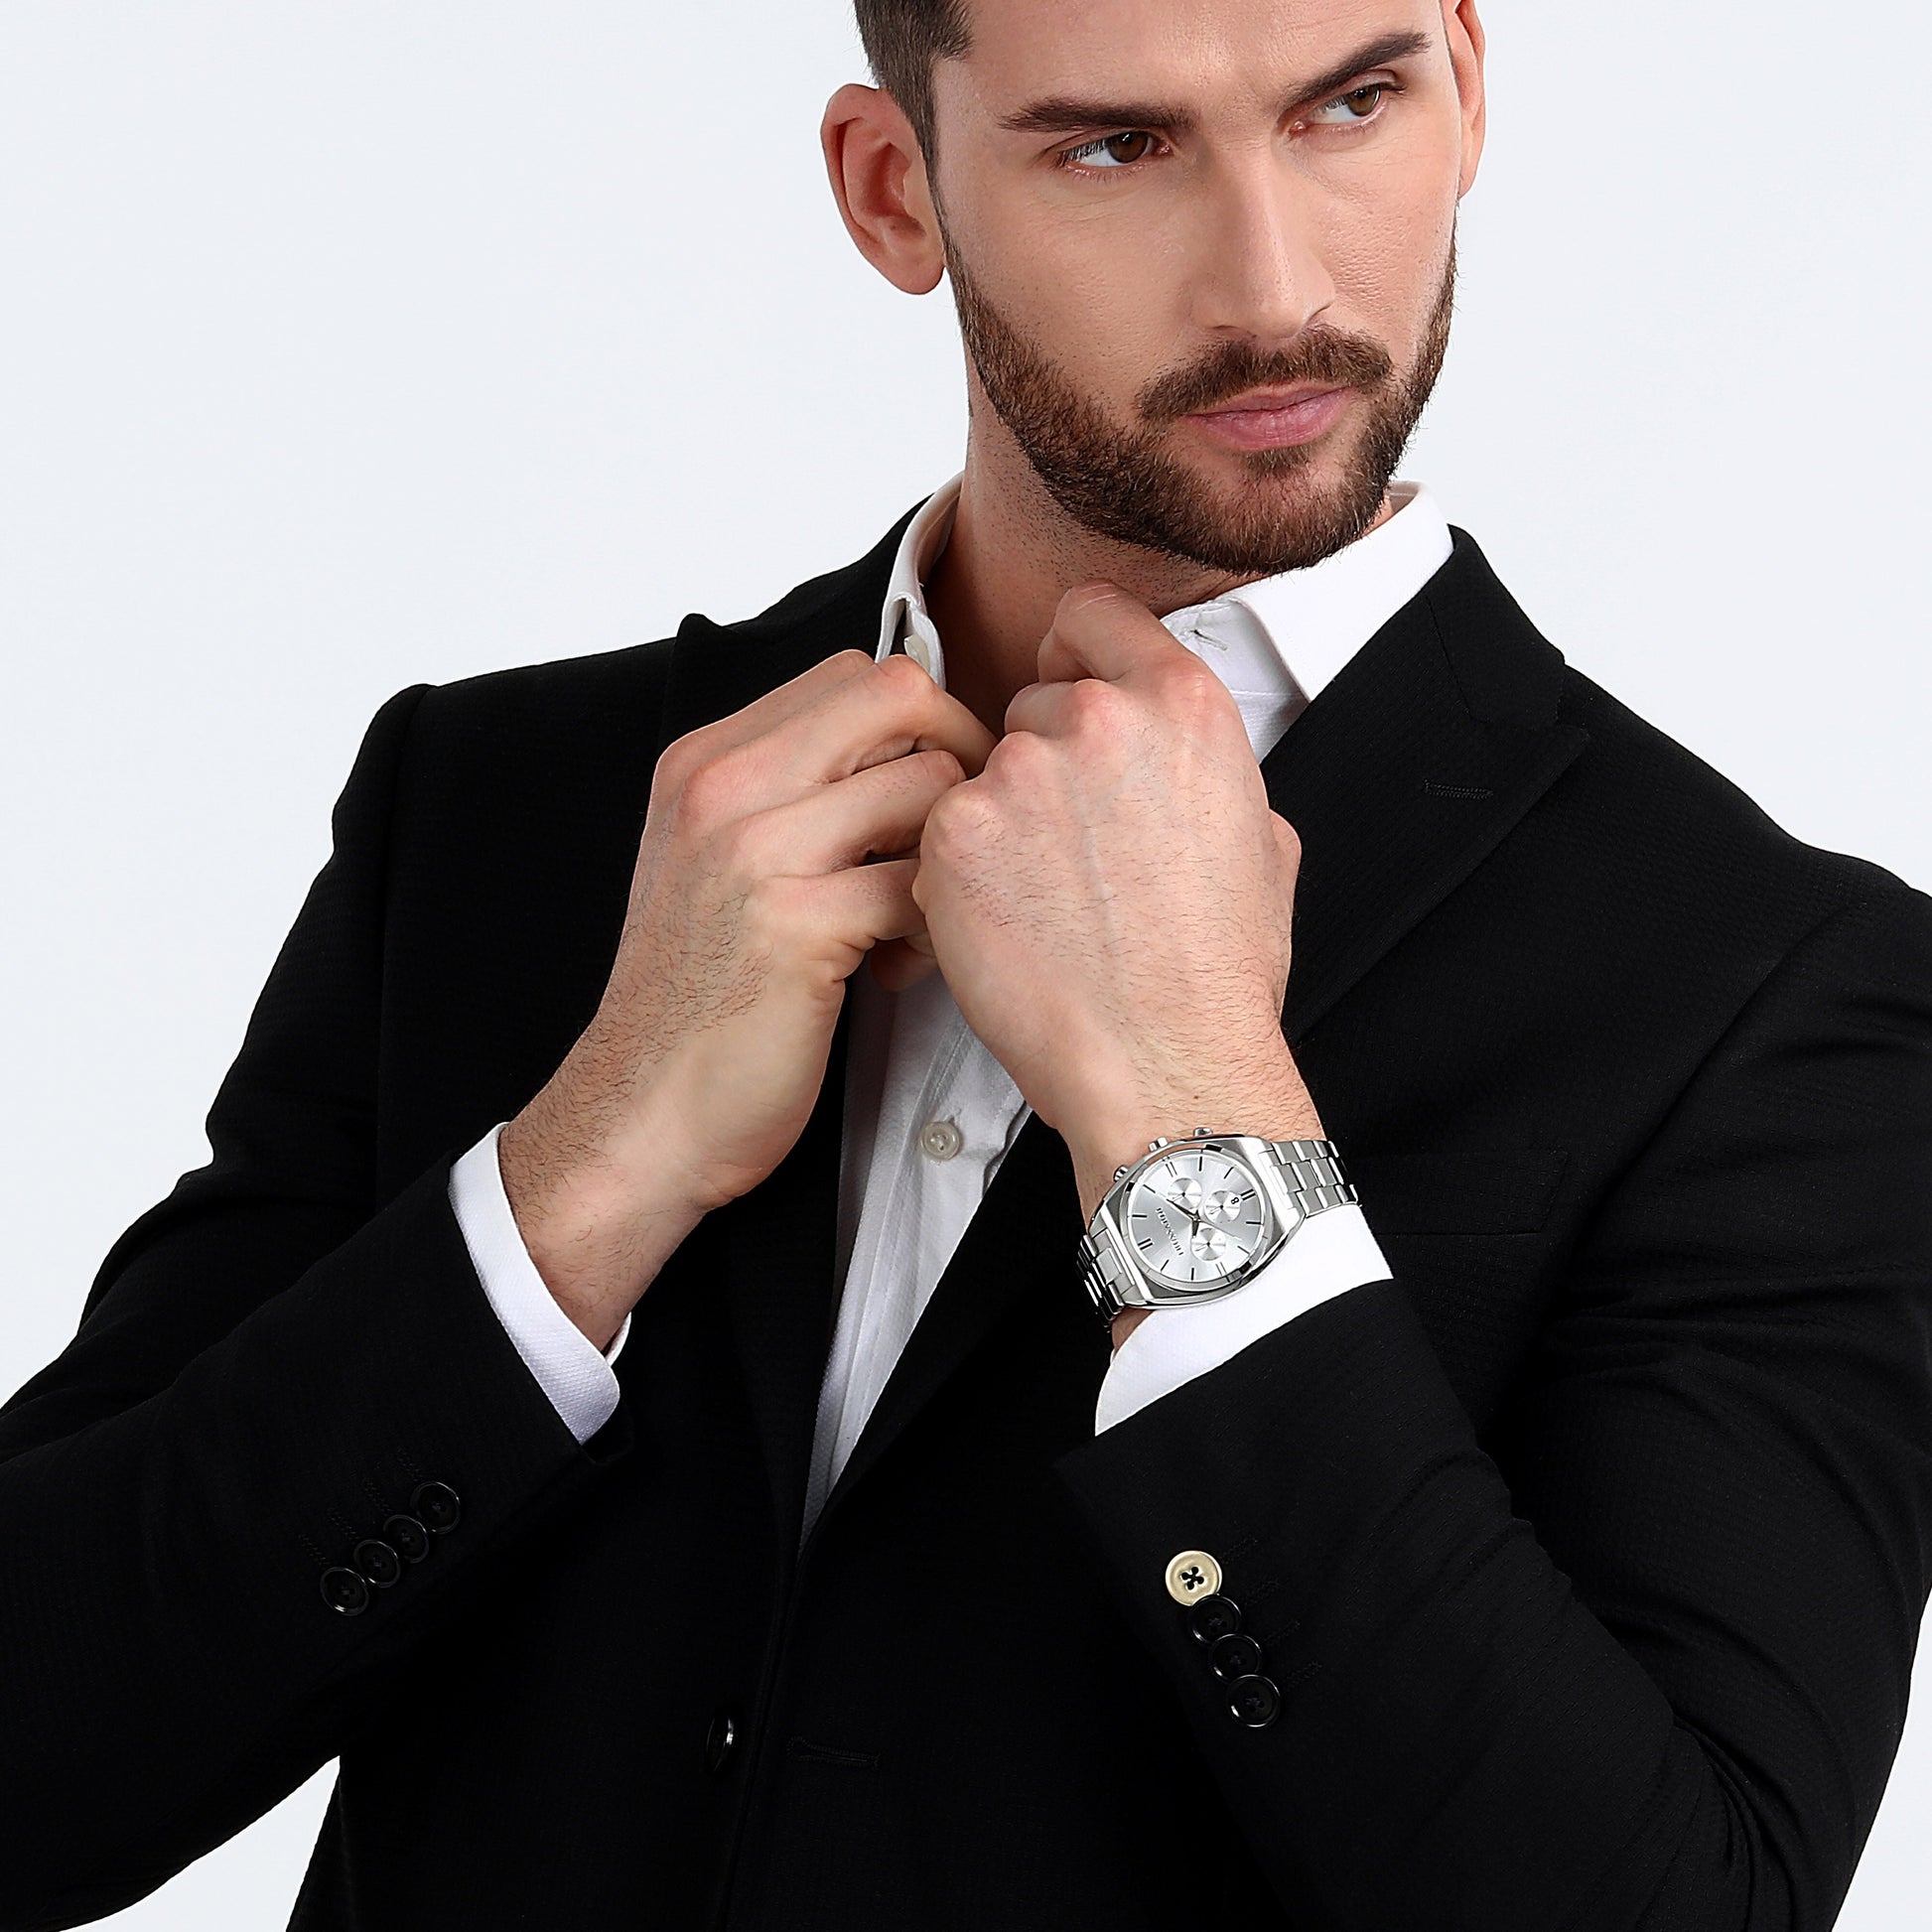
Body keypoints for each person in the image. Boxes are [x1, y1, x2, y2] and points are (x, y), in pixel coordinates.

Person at [2, 1, 1928, 1926]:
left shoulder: (1773, 996)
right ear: (892, 189)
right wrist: (579, 1175)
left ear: (1468, 84)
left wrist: (1190, 1117)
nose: (1274, 284)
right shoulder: (500, 808)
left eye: (1350, 104)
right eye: (1115, 146)